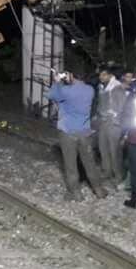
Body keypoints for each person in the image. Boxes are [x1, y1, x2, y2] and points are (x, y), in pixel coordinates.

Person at [48, 71, 107, 201]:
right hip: (85, 133)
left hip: (68, 133)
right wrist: (68, 81)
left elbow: (51, 95)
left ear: (72, 76)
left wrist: (57, 81)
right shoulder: (90, 90)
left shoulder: (65, 91)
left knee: (71, 165)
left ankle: (76, 193)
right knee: (89, 163)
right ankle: (98, 190)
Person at [97, 67, 127, 184]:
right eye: (100, 75)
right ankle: (107, 171)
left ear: (110, 75)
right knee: (103, 147)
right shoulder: (102, 87)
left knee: (114, 150)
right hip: (103, 121)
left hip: (114, 122)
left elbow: (122, 106)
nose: (101, 77)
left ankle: (118, 175)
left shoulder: (117, 87)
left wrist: (113, 114)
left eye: (103, 75)